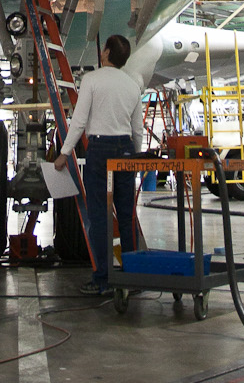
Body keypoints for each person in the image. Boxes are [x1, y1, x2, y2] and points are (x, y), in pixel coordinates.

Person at [53, 34, 143, 295]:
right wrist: (134, 158)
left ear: (105, 53)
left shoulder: (91, 80)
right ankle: (132, 278)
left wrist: (64, 153)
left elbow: (79, 121)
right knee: (126, 216)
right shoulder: (132, 85)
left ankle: (103, 279)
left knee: (99, 217)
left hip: (100, 149)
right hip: (125, 149)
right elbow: (137, 130)